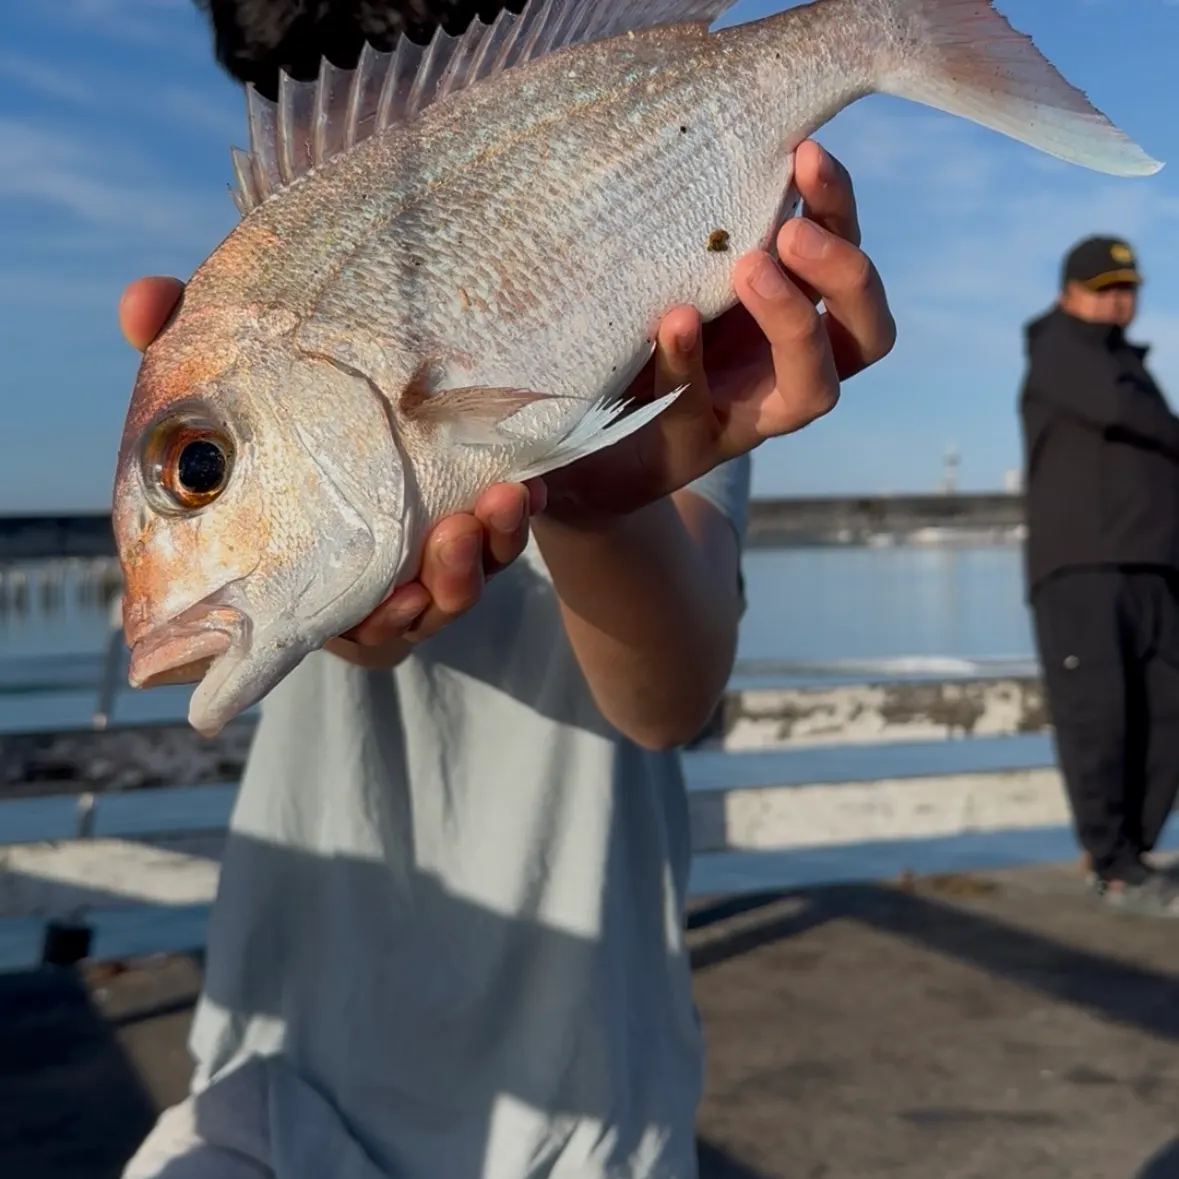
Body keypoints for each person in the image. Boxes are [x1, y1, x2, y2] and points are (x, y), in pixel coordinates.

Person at [119, 2, 896, 1176]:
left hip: (583, 1086)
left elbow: (667, 697)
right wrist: (353, 626)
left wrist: (586, 493)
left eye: (201, 467)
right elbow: (353, 576)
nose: (344, 101)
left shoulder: (670, 336)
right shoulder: (256, 289)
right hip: (281, 1078)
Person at [1020, 234, 1179, 918]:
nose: (1120, 301)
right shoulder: (1060, 347)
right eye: (1106, 287)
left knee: (1166, 713)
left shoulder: (1125, 363)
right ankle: (1112, 865)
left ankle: (1131, 855)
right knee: (1099, 716)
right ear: (1069, 293)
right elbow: (1125, 415)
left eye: (1128, 288)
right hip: (1083, 566)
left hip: (1153, 565)